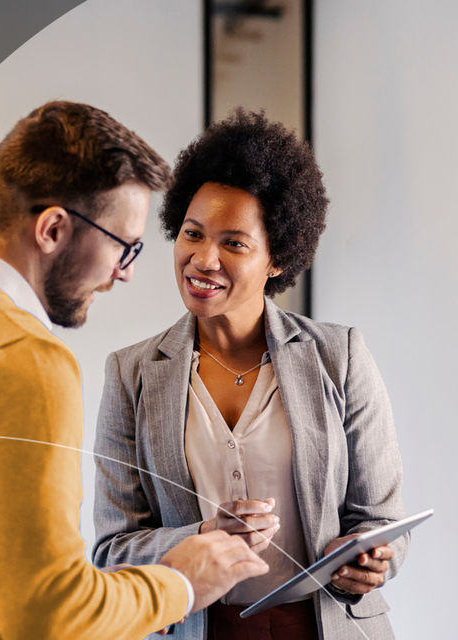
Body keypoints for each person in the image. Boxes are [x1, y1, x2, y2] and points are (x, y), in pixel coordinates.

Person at [0, 101, 269, 639]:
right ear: (54, 229)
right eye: (123, 247)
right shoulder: (21, 359)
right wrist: (180, 583)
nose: (121, 275)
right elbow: (47, 613)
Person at [92, 111, 407, 640]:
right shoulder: (131, 374)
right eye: (192, 234)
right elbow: (112, 550)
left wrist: (376, 559)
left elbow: (382, 521)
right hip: (197, 629)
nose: (203, 259)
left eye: (234, 243)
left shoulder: (340, 356)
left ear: (277, 258)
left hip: (325, 626)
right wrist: (205, 535)